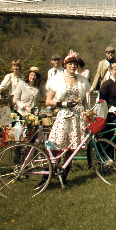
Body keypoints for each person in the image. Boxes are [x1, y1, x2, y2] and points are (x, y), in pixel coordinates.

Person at [45, 51, 89, 187]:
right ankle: (47, 175)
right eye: (70, 64)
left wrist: (88, 112)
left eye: (75, 64)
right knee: (57, 145)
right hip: (63, 115)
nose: (73, 66)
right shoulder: (58, 80)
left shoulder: (82, 80)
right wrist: (63, 104)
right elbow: (48, 101)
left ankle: (64, 175)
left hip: (77, 117)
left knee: (72, 148)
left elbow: (84, 101)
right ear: (65, 65)